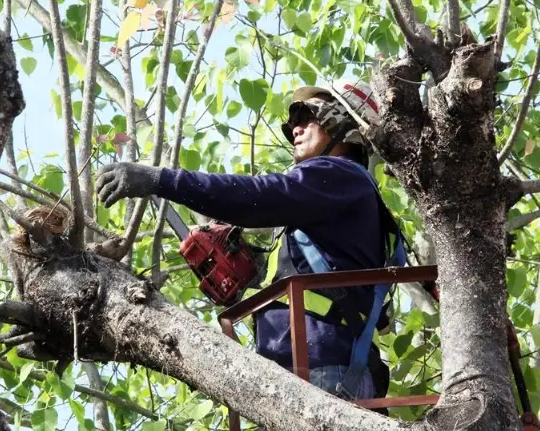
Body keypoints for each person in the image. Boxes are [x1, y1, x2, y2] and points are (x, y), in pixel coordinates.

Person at [95, 79, 405, 405]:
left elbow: (260, 198)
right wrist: (252, 274)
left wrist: (161, 180)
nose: (294, 128)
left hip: (326, 373)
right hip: (304, 373)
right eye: (290, 124)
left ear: (341, 120)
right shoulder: (332, 201)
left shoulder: (341, 175)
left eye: (303, 115)